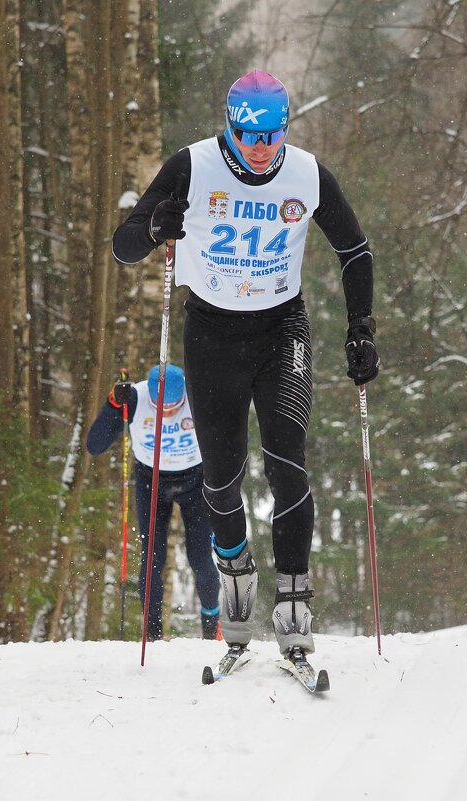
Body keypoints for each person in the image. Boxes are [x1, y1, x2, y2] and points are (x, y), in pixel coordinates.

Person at [111, 70, 379, 661]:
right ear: (230, 126)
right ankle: (236, 580)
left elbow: (354, 249)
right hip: (211, 333)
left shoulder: (306, 173)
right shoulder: (194, 165)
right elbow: (123, 245)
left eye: (271, 136)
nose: (260, 149)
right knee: (221, 477)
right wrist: (156, 228)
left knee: (287, 461)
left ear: (286, 127)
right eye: (248, 135)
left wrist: (361, 329)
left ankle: (292, 600)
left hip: (283, 329)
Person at [86, 364, 222, 641]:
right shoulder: (135, 397)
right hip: (152, 482)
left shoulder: (199, 394)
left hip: (196, 480)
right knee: (152, 557)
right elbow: (95, 445)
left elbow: (228, 436)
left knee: (199, 557)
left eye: (173, 407)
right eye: (160, 408)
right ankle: (153, 633)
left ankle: (212, 626)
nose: (167, 413)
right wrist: (113, 404)